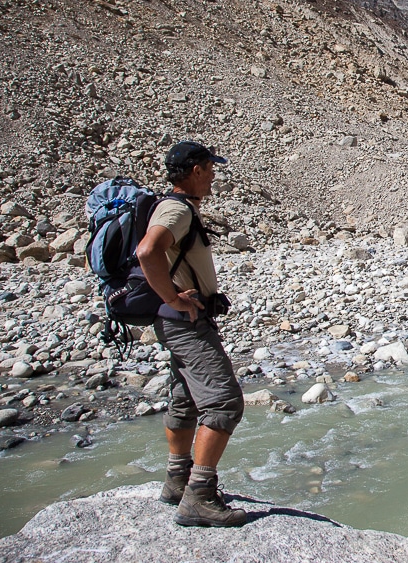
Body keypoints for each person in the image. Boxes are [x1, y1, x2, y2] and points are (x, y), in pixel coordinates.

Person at [136, 140, 246, 527]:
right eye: (210, 168)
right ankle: (199, 495)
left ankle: (176, 479)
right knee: (224, 402)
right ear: (196, 170)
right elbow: (148, 251)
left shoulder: (177, 208)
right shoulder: (176, 209)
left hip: (177, 322)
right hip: (186, 323)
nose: (214, 174)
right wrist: (173, 297)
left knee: (186, 398)